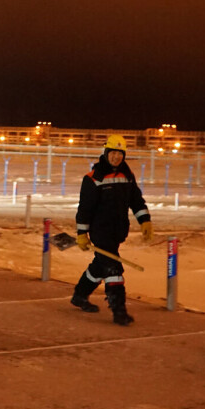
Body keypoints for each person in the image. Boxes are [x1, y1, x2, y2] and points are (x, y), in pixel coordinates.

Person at [72, 134, 153, 326]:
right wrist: (82, 233)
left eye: (120, 153)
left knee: (100, 266)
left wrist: (145, 220)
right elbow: (84, 209)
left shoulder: (127, 175)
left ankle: (80, 295)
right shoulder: (93, 178)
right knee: (113, 268)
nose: (116, 157)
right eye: (113, 153)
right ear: (106, 152)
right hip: (100, 232)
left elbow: (136, 201)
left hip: (118, 231)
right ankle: (119, 311)